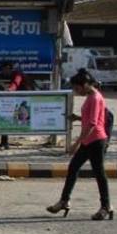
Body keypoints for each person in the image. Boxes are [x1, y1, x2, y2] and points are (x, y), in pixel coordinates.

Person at [47, 68, 113, 221]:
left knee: (99, 174)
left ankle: (106, 206)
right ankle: (64, 201)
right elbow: (90, 118)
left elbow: (92, 124)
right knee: (73, 168)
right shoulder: (90, 96)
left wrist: (76, 144)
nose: (76, 92)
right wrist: (77, 118)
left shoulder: (95, 98)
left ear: (85, 85)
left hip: (95, 141)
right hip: (89, 140)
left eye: (77, 88)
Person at [0, 61, 29, 150]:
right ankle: (4, 142)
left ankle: (4, 142)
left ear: (7, 69)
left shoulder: (17, 74)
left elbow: (15, 84)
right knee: (6, 119)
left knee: (8, 118)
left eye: (3, 70)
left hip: (24, 102)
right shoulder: (14, 74)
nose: (2, 73)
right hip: (18, 101)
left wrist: (9, 90)